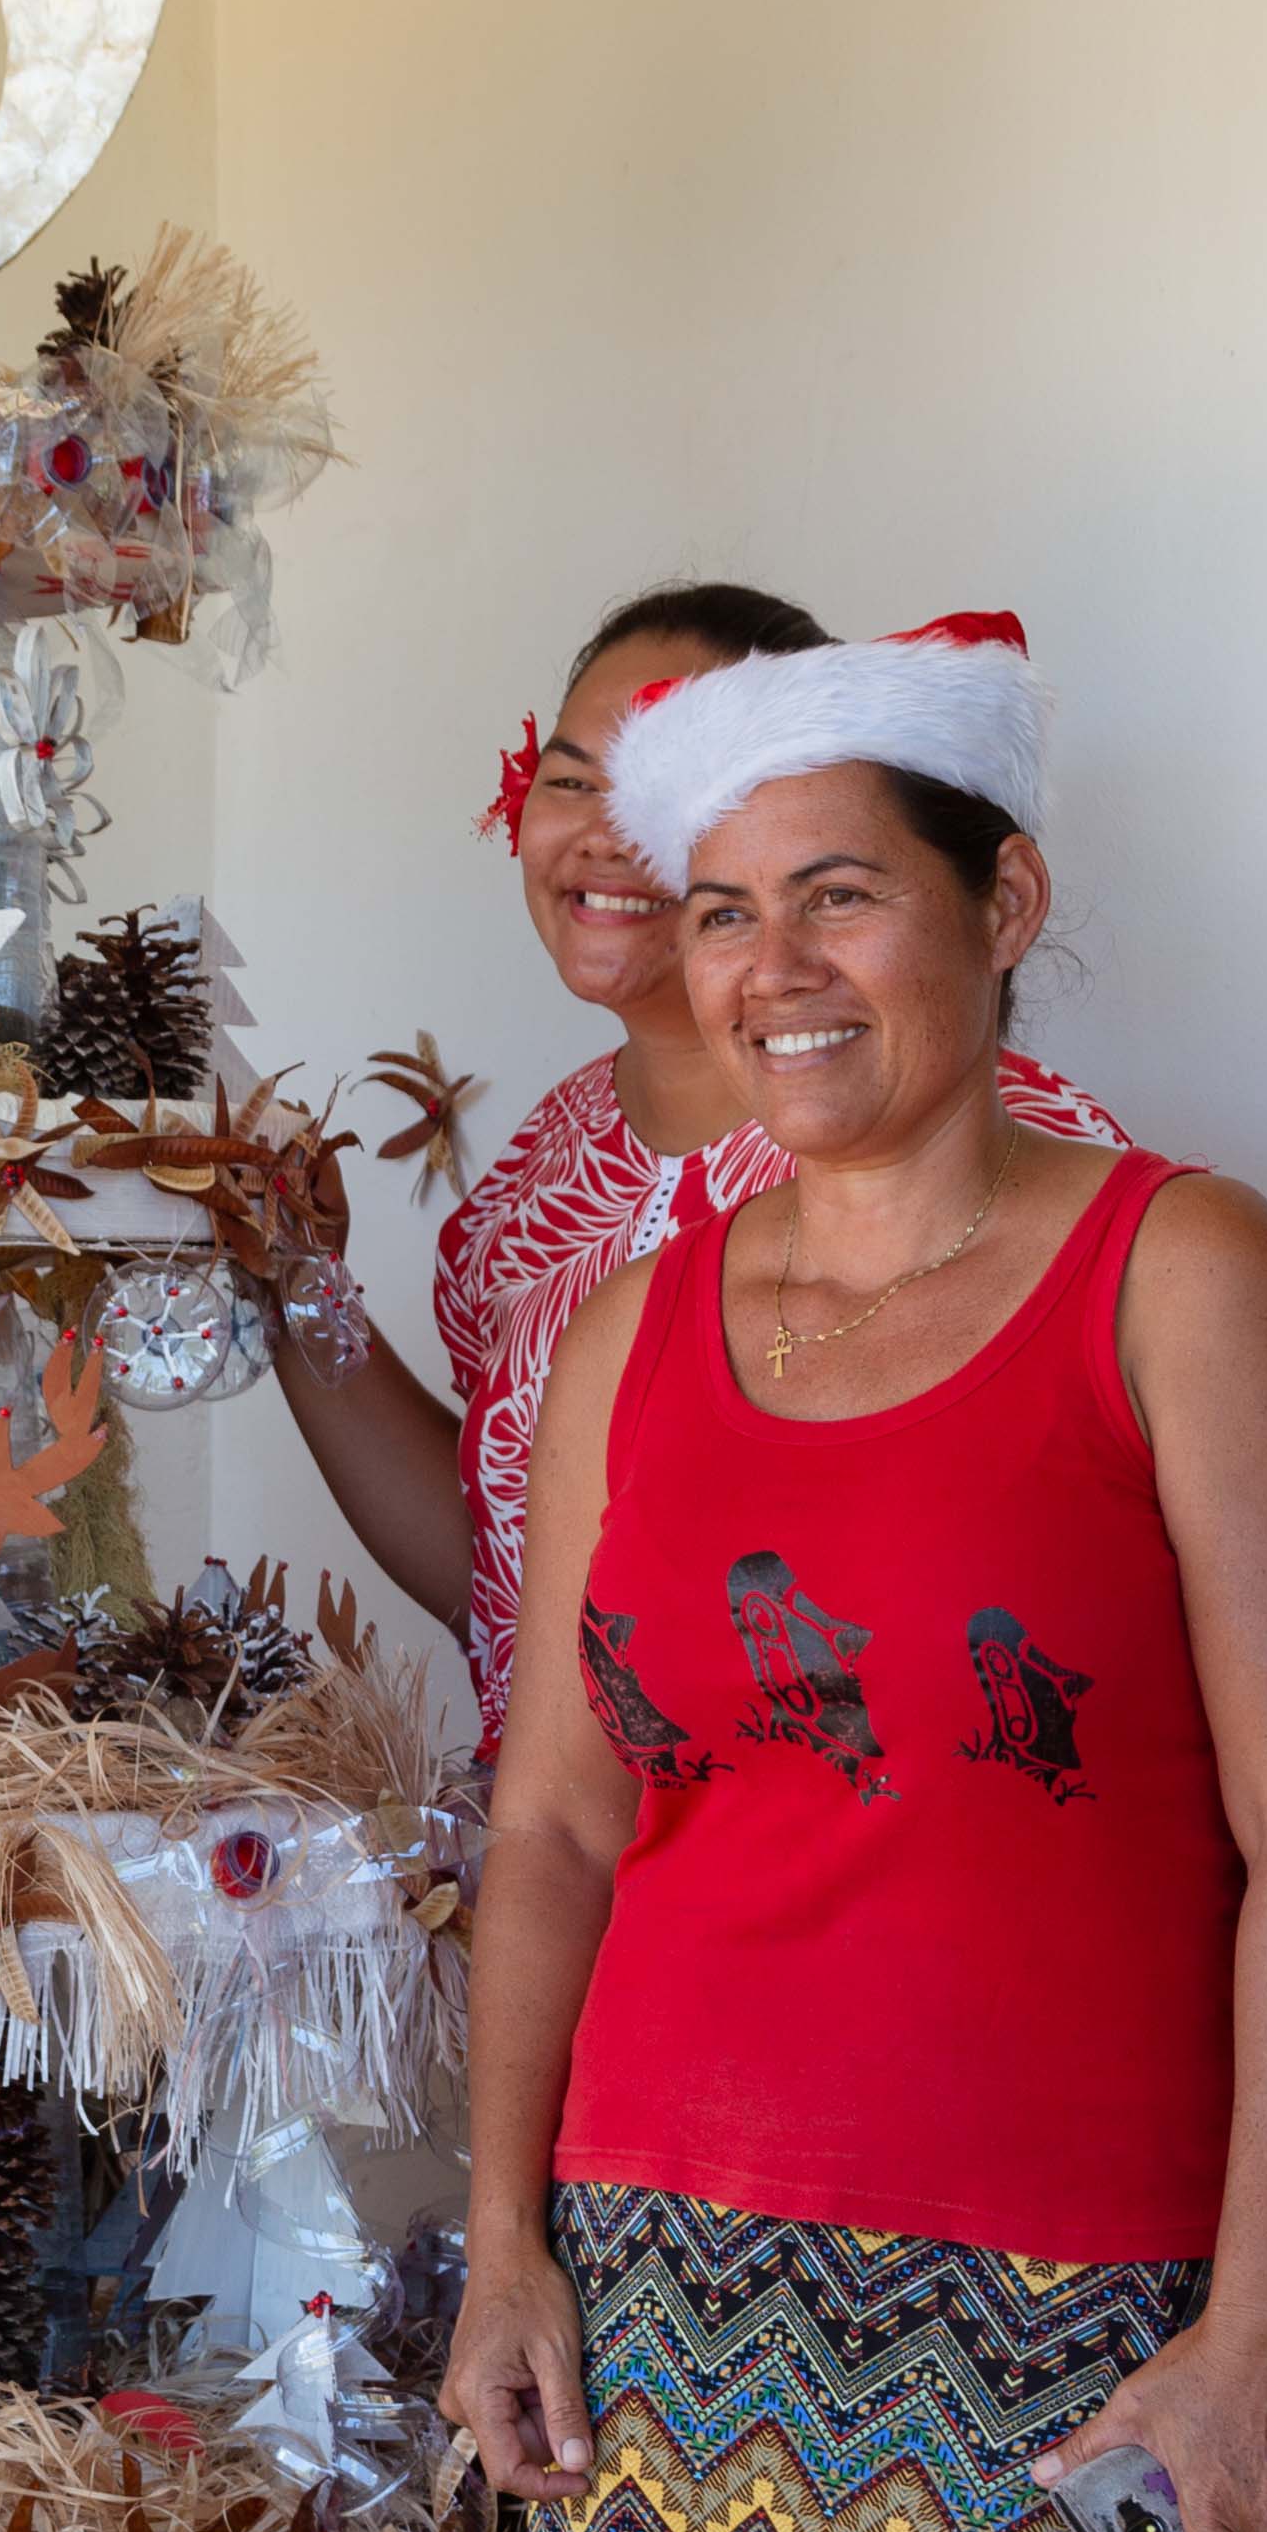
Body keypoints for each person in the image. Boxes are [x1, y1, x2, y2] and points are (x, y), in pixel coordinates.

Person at [443, 614, 1267, 2532]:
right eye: (728, 906)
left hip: (1054, 2333)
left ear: (1002, 906)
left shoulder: (1179, 1276)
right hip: (661, 2310)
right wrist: (503, 2243)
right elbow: (551, 1815)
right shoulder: (619, 1339)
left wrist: (1260, 2314)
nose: (775, 966)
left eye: (843, 894)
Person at [255, 580, 1126, 1739]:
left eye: (662, 786)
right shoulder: (533, 1188)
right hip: (575, 1892)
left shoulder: (990, 1156)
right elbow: (510, 1583)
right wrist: (298, 1285)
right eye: (571, 779)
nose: (606, 832)